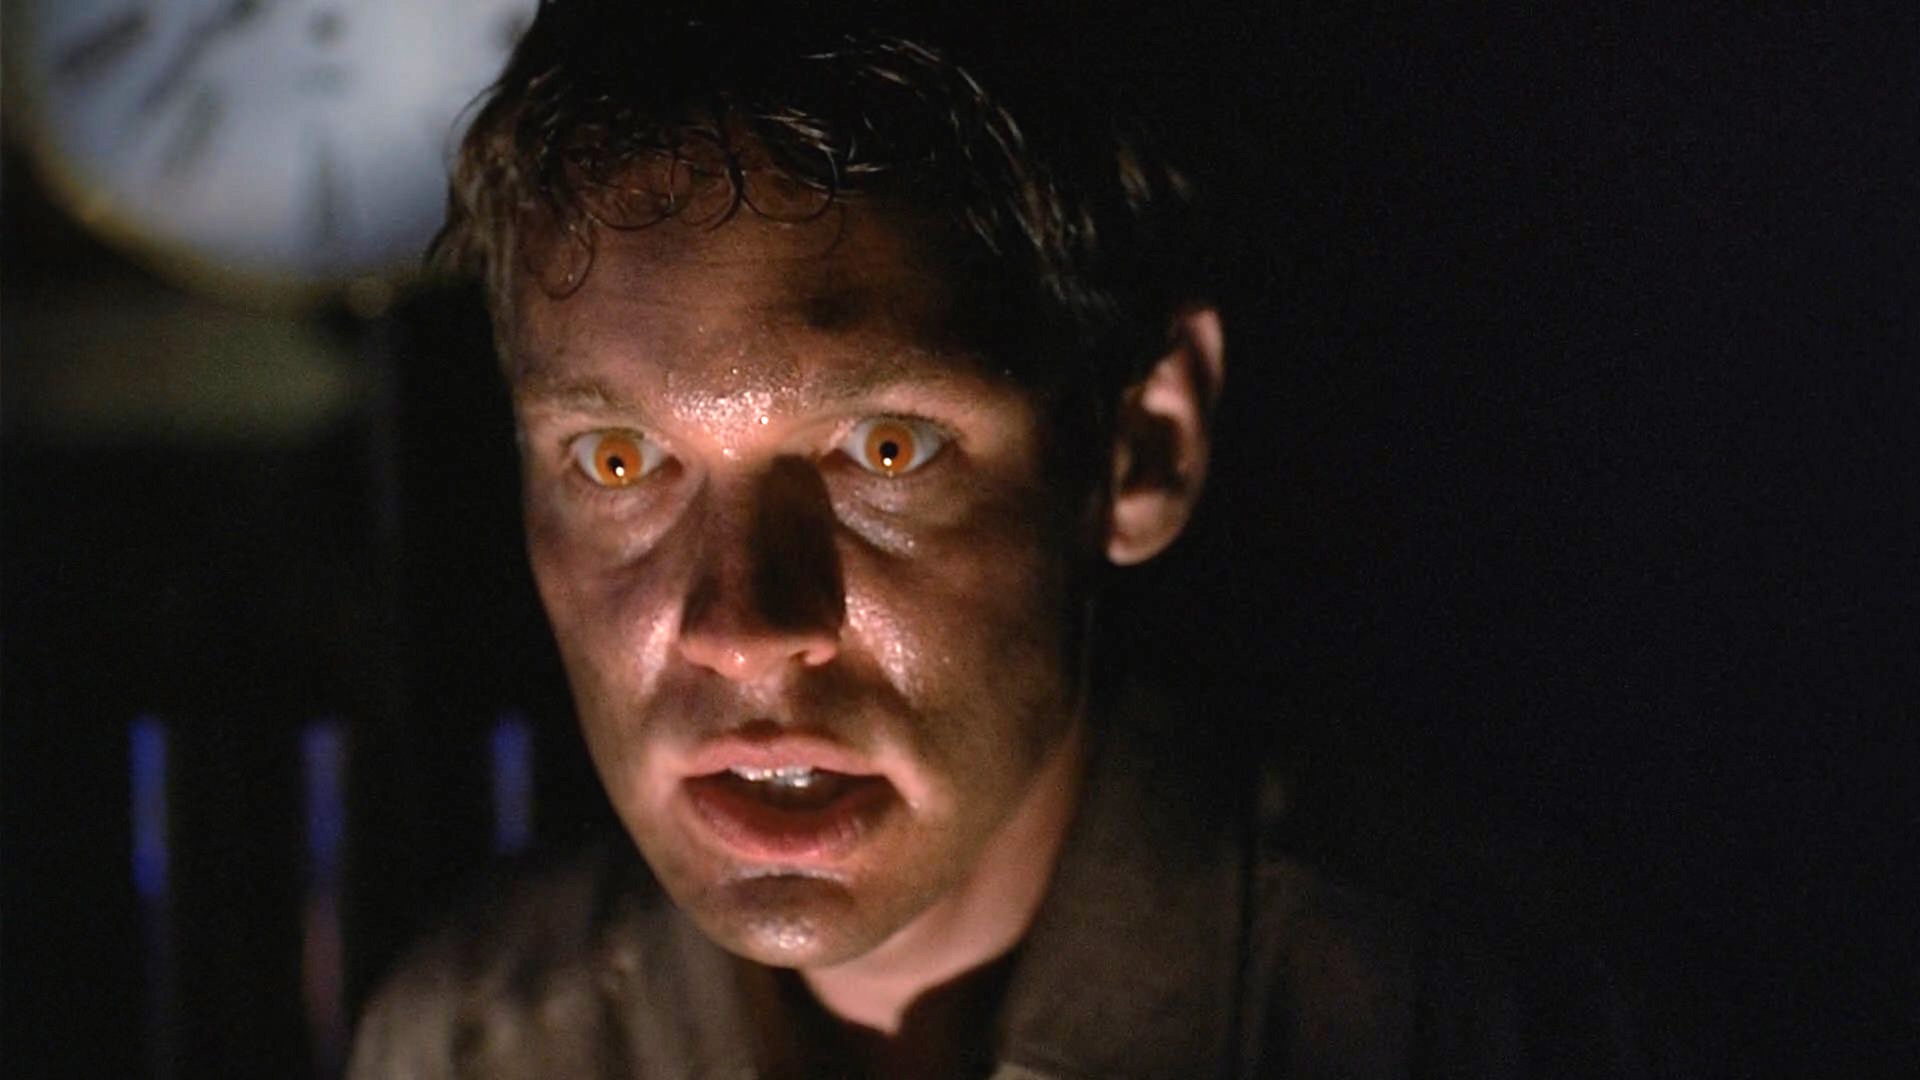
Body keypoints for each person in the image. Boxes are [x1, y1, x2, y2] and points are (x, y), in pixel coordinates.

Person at [349, 3, 1640, 1076]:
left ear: (1140, 446)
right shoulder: (474, 1045)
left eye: (884, 451)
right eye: (619, 461)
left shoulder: (1467, 1021)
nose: (745, 628)